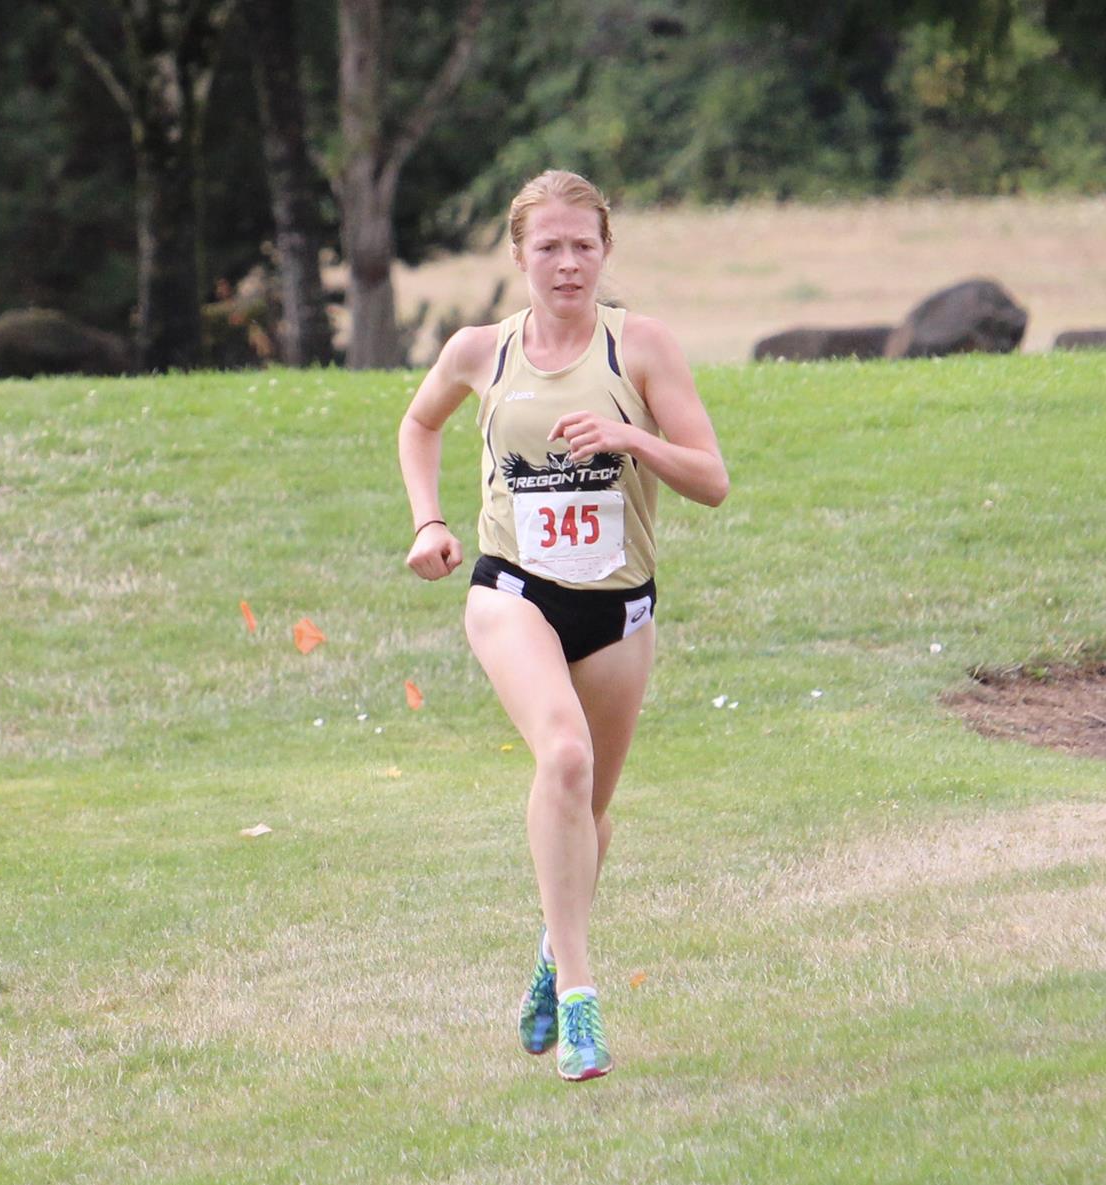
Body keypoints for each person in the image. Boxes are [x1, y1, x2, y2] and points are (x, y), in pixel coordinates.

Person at [397, 170, 728, 1082]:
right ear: (519, 255)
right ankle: (582, 1004)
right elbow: (417, 427)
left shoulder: (642, 347)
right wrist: (429, 522)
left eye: (584, 244)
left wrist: (632, 440)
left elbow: (711, 478)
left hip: (619, 610)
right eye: (549, 246)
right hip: (512, 591)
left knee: (591, 815)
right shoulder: (480, 352)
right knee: (565, 757)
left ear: (605, 250)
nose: (568, 262)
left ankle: (552, 951)